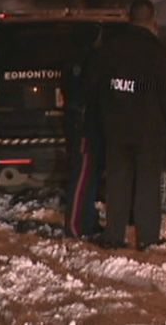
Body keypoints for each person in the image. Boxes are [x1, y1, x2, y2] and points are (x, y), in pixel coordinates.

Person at [91, 0, 166, 250]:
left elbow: (96, 86)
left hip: (116, 127)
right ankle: (147, 237)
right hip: (149, 130)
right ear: (152, 20)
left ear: (129, 18)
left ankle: (114, 235)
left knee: (117, 182)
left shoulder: (110, 49)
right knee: (147, 184)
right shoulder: (159, 53)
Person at [62, 37, 105, 239]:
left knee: (89, 177)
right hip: (84, 126)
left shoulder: (81, 61)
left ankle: (87, 221)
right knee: (82, 177)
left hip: (86, 125)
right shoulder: (85, 63)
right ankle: (75, 226)